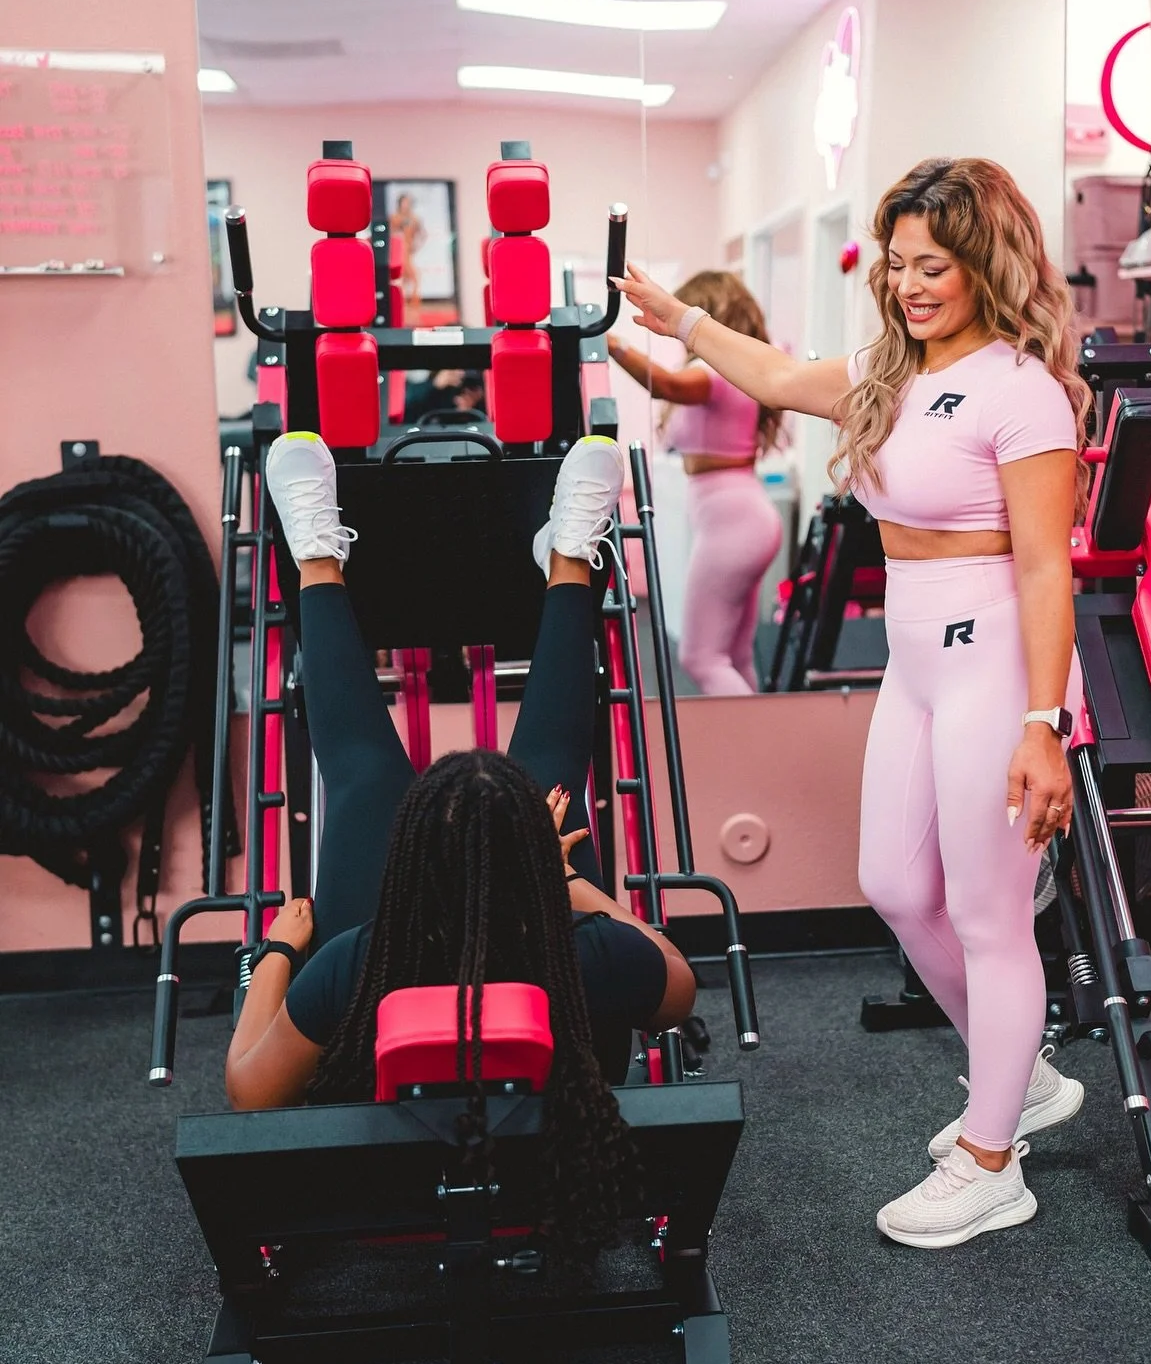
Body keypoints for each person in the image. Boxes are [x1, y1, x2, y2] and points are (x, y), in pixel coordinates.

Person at [617, 157, 1087, 1251]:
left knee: (986, 913)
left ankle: (990, 1160)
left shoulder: (1022, 392)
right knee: (890, 881)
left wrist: (1042, 726)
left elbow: (1045, 572)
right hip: (916, 662)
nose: (912, 282)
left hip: (992, 663)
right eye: (900, 262)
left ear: (985, 264)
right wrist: (679, 319)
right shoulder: (893, 372)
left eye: (935, 264)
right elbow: (776, 380)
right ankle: (1018, 1085)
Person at [223, 432, 696, 1255]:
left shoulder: (354, 964)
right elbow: (681, 987)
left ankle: (317, 561)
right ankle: (571, 560)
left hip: (385, 1193)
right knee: (549, 771)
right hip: (554, 1171)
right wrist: (568, 887)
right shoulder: (590, 954)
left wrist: (273, 951)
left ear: (407, 862)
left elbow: (248, 1092)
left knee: (364, 777)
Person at [607, 272, 784, 695]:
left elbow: (664, 386)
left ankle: (756, 751)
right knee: (735, 655)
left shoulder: (715, 369)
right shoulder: (745, 369)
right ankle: (758, 745)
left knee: (700, 656)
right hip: (747, 516)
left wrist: (611, 344)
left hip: (733, 522)